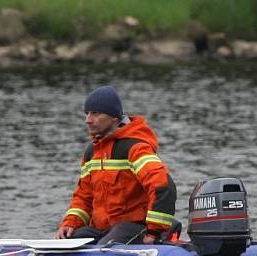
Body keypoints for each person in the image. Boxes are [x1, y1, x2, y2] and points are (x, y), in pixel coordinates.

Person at [56, 85, 177, 245]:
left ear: (114, 118)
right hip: (103, 229)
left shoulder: (135, 148)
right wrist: (70, 223)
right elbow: (84, 197)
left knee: (105, 248)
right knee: (66, 242)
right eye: (87, 113)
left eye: (95, 113)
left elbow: (163, 186)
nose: (88, 120)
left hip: (135, 226)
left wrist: (154, 232)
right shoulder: (92, 152)